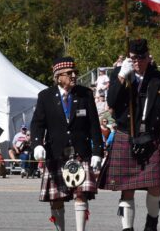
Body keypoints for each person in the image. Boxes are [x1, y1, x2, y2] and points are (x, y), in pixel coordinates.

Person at [102, 39, 160, 231]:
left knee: (155, 188)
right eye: (133, 58)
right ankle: (127, 228)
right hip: (125, 135)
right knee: (127, 188)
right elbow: (110, 102)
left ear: (148, 56)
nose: (137, 62)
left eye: (141, 58)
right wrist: (121, 77)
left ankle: (152, 222)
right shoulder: (120, 76)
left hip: (151, 138)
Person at [30, 57, 104, 231]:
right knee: (57, 198)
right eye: (69, 73)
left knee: (81, 194)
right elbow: (37, 124)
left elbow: (94, 124)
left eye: (75, 72)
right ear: (58, 76)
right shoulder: (45, 96)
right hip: (56, 153)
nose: (74, 75)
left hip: (81, 152)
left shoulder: (85, 94)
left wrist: (97, 152)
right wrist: (37, 144)